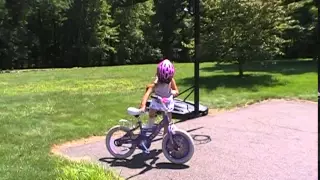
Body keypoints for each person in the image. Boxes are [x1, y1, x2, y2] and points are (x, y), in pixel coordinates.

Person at [139, 59, 179, 134]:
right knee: (152, 112)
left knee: (167, 119)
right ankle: (150, 126)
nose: (164, 83)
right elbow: (148, 93)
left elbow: (176, 91)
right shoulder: (156, 83)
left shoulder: (171, 81)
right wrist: (143, 105)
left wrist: (172, 92)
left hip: (167, 101)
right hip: (157, 100)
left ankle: (166, 135)